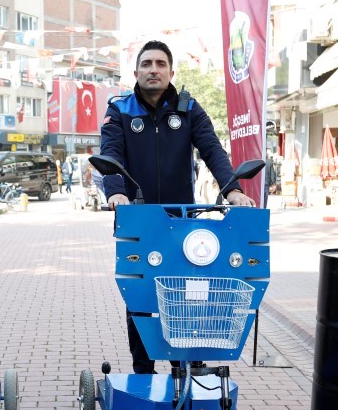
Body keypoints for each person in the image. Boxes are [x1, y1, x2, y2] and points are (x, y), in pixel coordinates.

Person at [100, 39, 255, 374]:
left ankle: (186, 369)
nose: (153, 70)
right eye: (146, 64)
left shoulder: (189, 109)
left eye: (160, 64)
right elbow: (110, 154)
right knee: (140, 297)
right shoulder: (120, 109)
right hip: (137, 220)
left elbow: (212, 149)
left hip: (184, 223)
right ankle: (143, 372)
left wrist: (232, 190)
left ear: (171, 71)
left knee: (189, 296)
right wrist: (115, 193)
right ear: (136, 71)